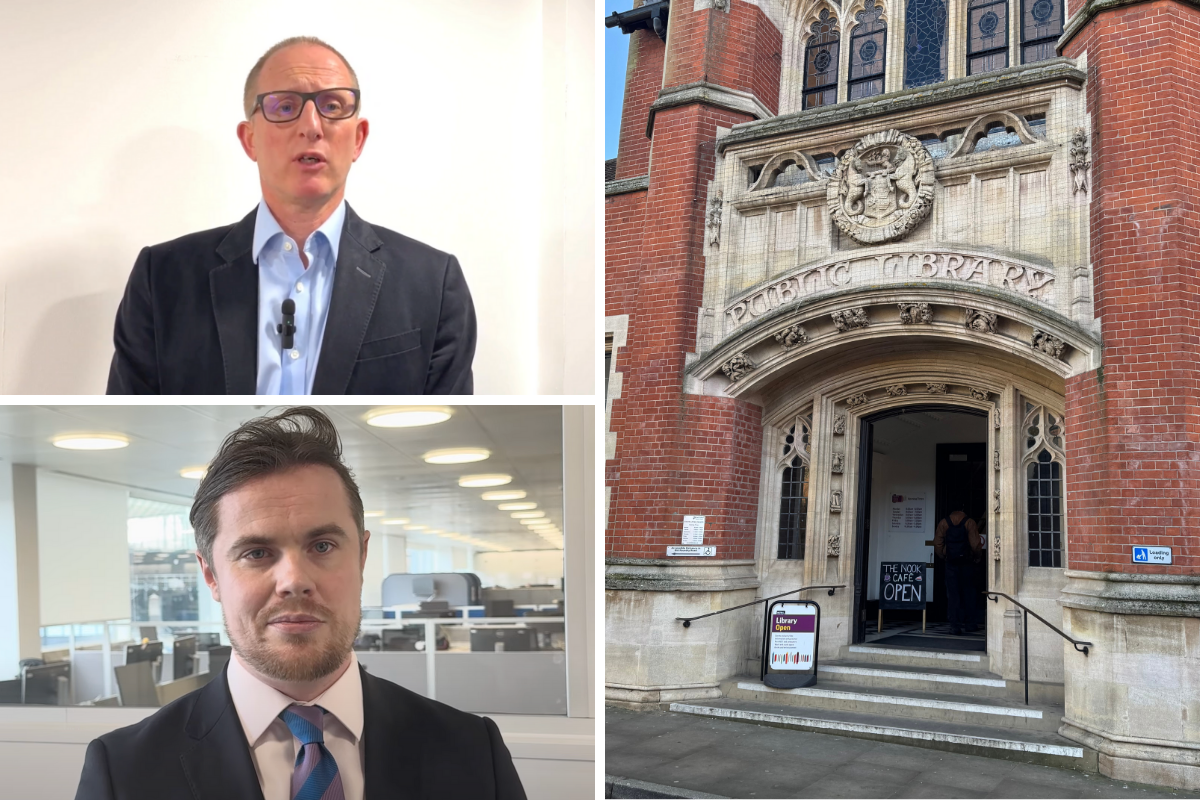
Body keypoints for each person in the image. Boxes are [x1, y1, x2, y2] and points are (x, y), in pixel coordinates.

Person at [73, 407, 525, 799]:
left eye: (323, 546)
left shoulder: (471, 749)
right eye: (256, 553)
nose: (294, 581)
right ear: (210, 575)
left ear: (362, 556)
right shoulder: (124, 771)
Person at [105, 36, 476, 395]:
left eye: (332, 106)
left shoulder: (432, 284)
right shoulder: (163, 277)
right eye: (284, 107)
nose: (311, 126)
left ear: (358, 138)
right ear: (250, 139)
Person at [933, 508, 982, 635]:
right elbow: (975, 544)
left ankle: (954, 625)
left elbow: (937, 544)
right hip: (967, 563)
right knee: (969, 593)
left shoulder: (944, 522)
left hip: (951, 564)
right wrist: (977, 558)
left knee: (953, 595)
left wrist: (944, 556)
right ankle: (970, 623)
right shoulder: (969, 522)